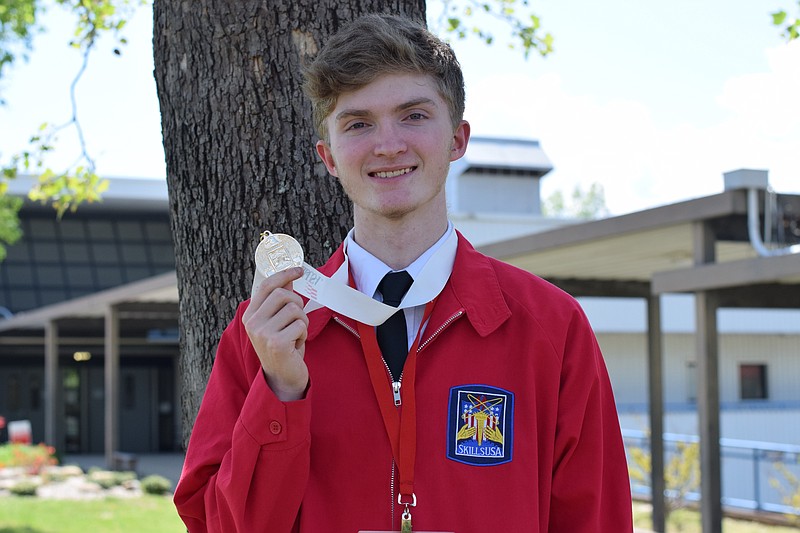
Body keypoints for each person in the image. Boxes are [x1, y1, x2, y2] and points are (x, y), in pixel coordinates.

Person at [174, 13, 633, 533]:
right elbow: (217, 527)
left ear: (458, 139)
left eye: (413, 115)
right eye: (358, 123)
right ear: (328, 156)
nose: (387, 144)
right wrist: (280, 392)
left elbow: (597, 520)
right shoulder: (264, 332)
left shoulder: (550, 328)